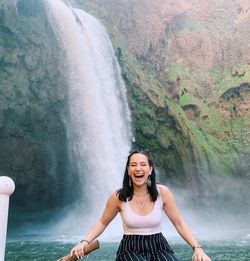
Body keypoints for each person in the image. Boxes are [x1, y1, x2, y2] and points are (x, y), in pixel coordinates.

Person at [70, 149, 212, 261]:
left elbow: (179, 223)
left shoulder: (163, 193)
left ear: (150, 170)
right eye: (133, 165)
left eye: (143, 164)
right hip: (130, 248)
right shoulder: (118, 197)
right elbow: (102, 222)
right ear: (128, 170)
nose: (138, 168)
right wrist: (84, 242)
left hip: (159, 246)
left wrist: (197, 248)